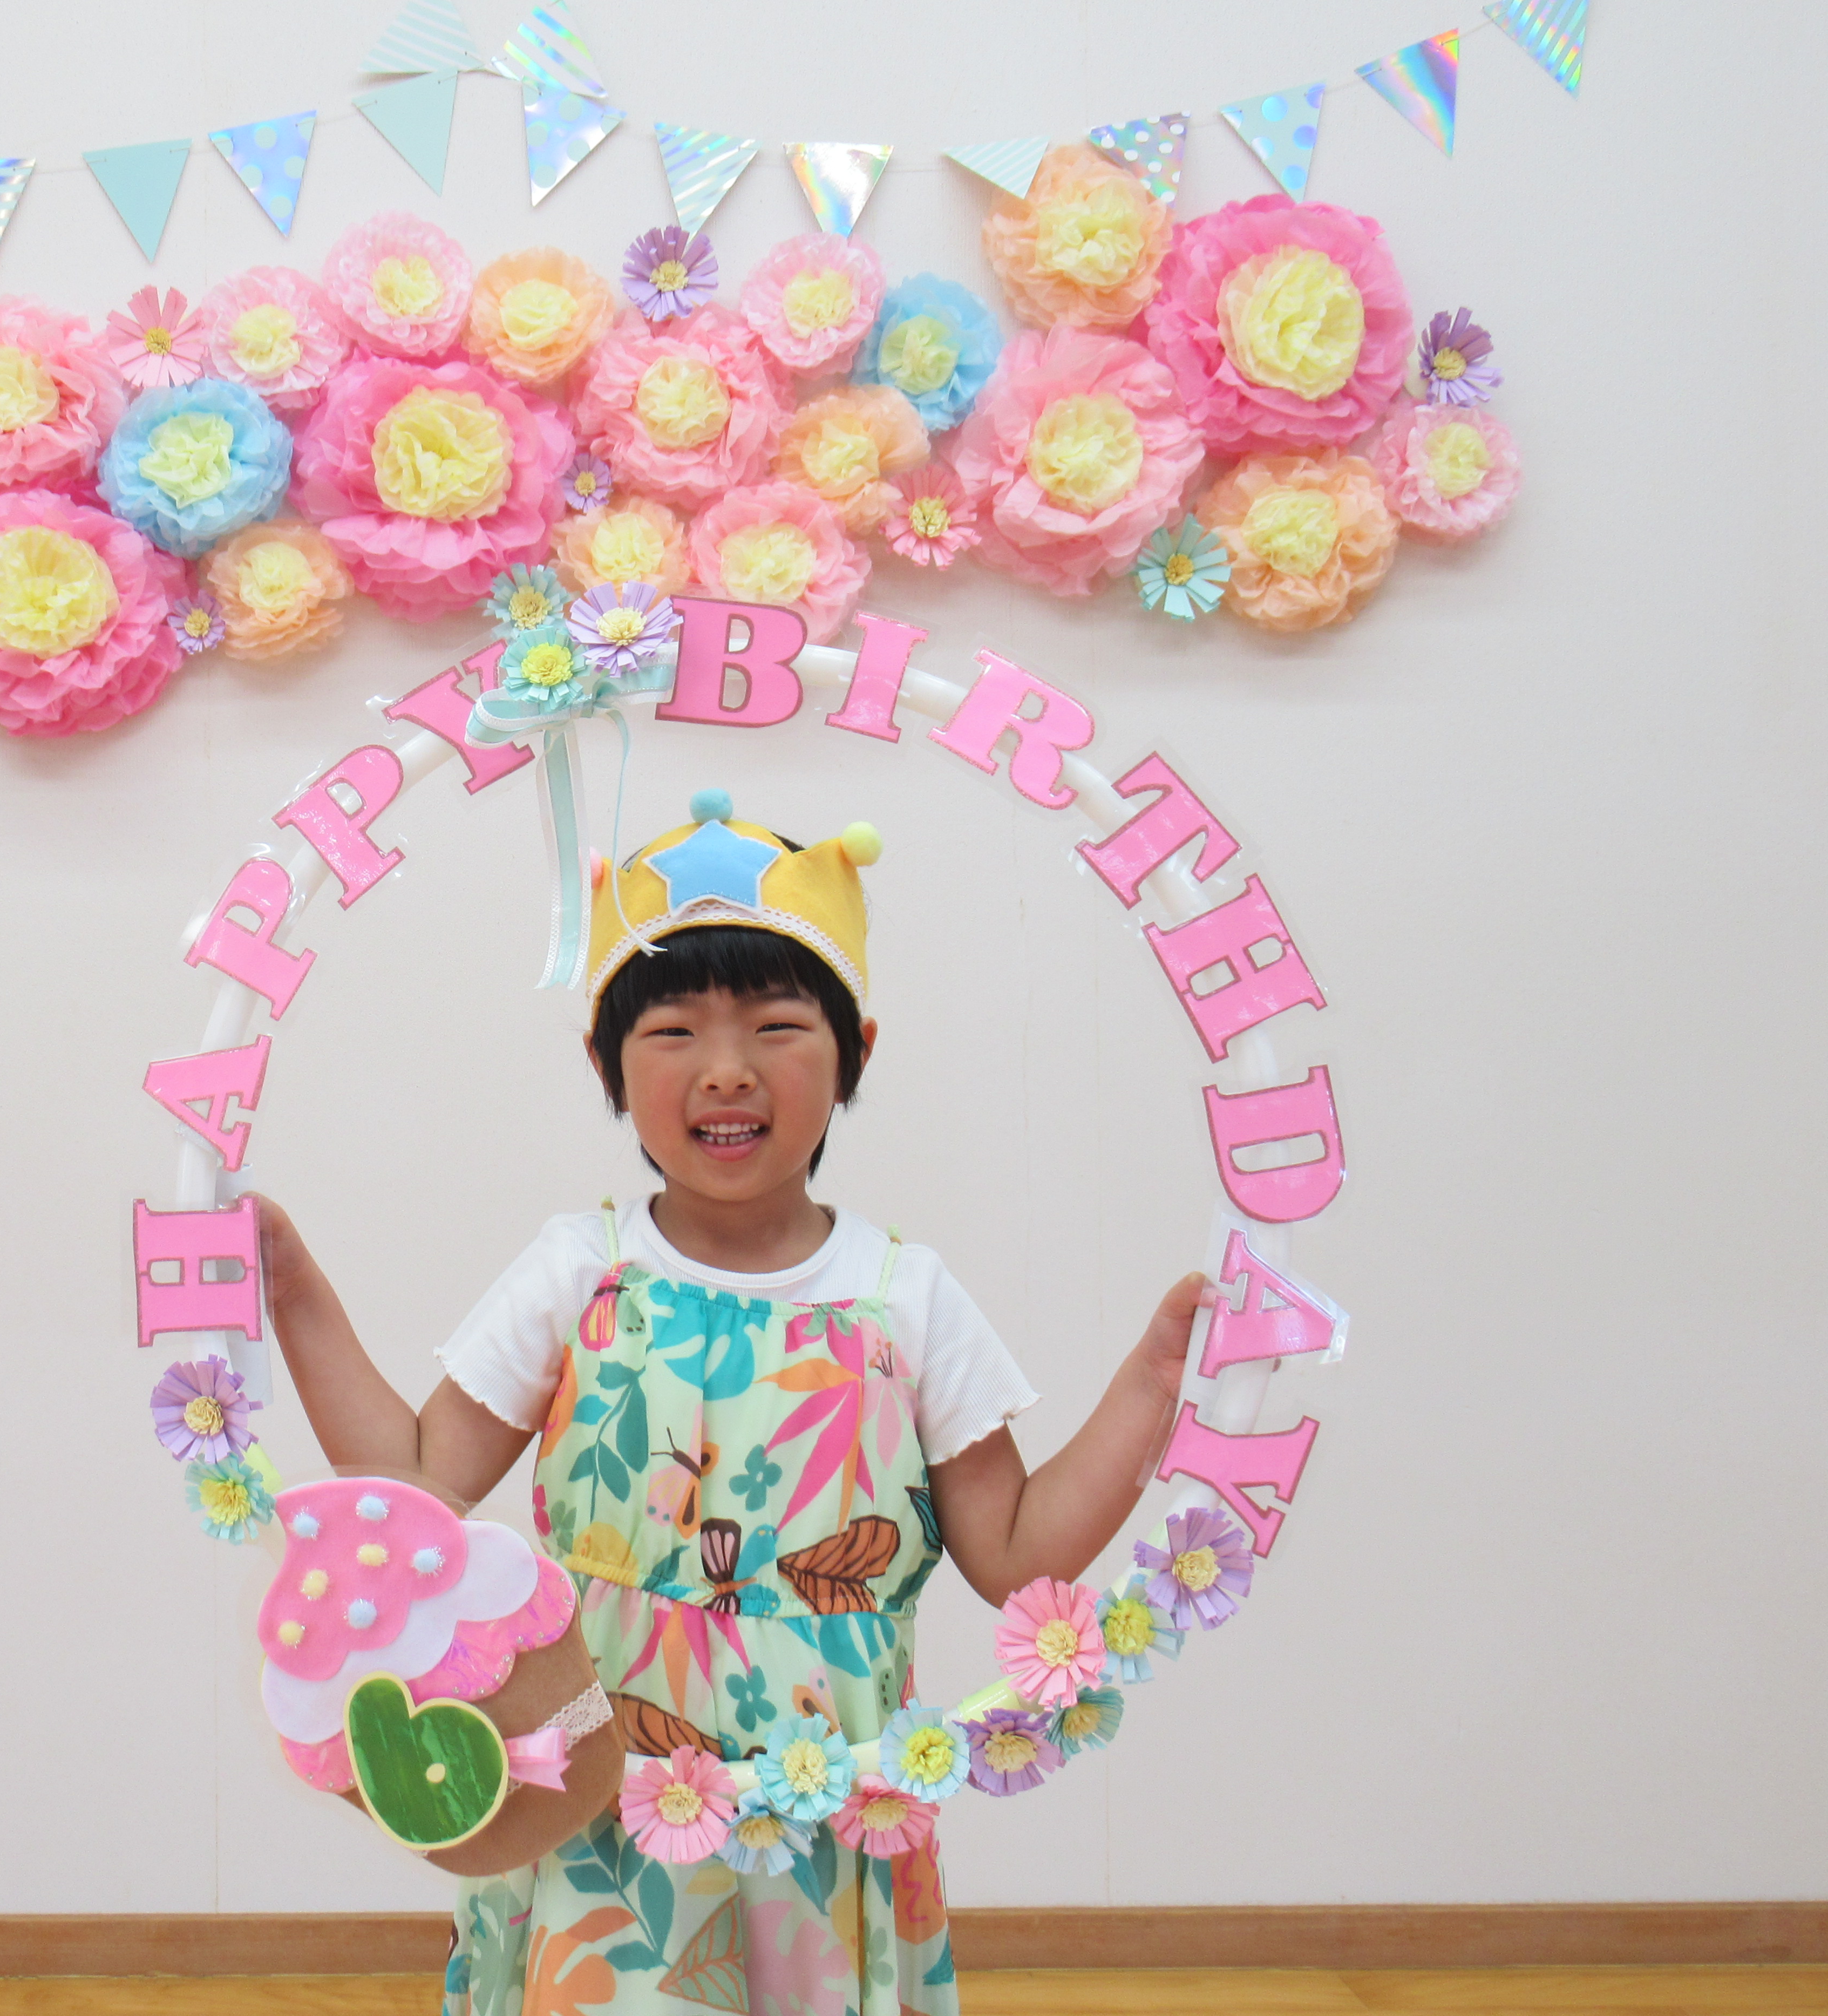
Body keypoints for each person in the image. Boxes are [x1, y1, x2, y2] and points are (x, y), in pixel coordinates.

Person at [257, 790, 1206, 2015]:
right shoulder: (577, 1273)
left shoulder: (904, 1297)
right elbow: (422, 1482)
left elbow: (1020, 1553)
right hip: (601, 1798)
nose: (726, 1070)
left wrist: (1155, 1379)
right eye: (672, 1032)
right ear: (604, 1062)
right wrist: (297, 1295)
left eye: (776, 1025)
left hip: (823, 1802)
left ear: (856, 1048)